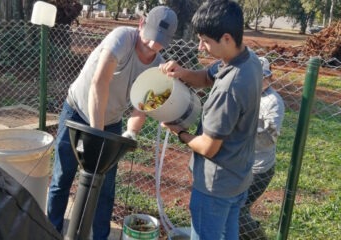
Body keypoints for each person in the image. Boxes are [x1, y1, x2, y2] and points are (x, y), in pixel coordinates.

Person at [47, 6, 178, 239]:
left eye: (158, 46)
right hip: (77, 112)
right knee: (62, 176)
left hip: (112, 122)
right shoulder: (120, 38)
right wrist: (97, 136)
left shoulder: (158, 66)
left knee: (104, 188)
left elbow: (142, 107)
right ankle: (51, 231)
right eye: (148, 41)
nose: (151, 49)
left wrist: (131, 132)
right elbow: (99, 84)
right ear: (140, 25)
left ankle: (101, 236)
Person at [159, 0, 262, 239]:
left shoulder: (230, 87)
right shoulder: (249, 60)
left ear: (226, 38)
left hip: (216, 185)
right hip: (238, 176)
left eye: (205, 41)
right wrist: (182, 73)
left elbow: (208, 146)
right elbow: (207, 77)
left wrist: (178, 132)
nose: (200, 47)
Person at [239, 57, 285, 240]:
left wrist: (241, 132)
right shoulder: (244, 94)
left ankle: (258, 237)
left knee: (238, 209)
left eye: (262, 77)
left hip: (258, 168)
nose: (258, 82)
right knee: (235, 206)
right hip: (239, 163)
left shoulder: (273, 102)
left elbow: (268, 139)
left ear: (269, 78)